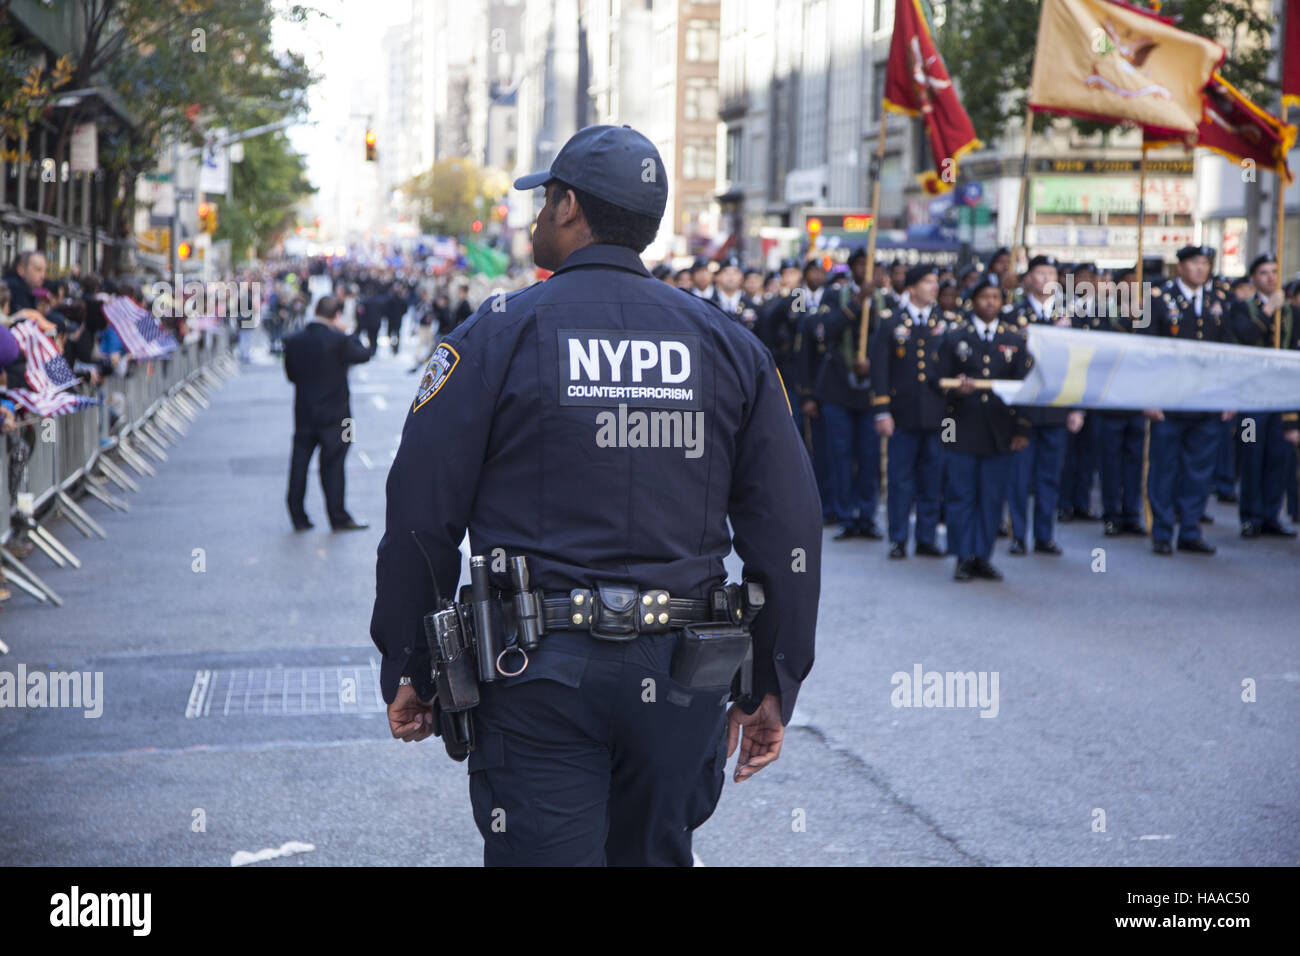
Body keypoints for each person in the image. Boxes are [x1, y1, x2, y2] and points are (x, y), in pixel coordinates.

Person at [370, 124, 821, 867]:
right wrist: (775, 678)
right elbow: (789, 528)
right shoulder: (729, 344)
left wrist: (413, 664)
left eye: (544, 203)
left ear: (570, 206)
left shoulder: (496, 335)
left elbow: (421, 514)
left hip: (536, 672)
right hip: (685, 676)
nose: (536, 219)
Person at [935, 275, 1030, 581]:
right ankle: (962, 555)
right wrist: (954, 390)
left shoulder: (1015, 339)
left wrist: (1021, 430)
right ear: (973, 301)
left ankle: (982, 555)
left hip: (999, 430)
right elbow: (936, 381)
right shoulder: (955, 336)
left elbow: (1023, 389)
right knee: (962, 495)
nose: (990, 302)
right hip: (963, 426)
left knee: (991, 496)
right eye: (984, 296)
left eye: (996, 297)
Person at [1143, 245, 1235, 555]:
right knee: (1164, 467)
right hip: (1168, 399)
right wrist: (1148, 396)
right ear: (1180, 267)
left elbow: (1227, 354)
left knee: (1199, 470)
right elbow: (1145, 352)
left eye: (1206, 263)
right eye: (1195, 263)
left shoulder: (1218, 302)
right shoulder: (1156, 300)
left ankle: (1191, 529)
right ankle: (1163, 530)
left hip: (1205, 399)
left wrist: (1227, 395)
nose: (1201, 269)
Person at [1003, 255, 1084, 555]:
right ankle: (1017, 534)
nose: (1047, 277)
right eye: (1041, 272)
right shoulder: (1013, 314)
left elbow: (1078, 364)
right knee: (1020, 477)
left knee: (1049, 476)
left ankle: (1044, 535)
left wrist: (1077, 407)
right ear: (1028, 278)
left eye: (1052, 272)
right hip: (1024, 407)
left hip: (1056, 404)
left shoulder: (1070, 314)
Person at [869, 264, 952, 558]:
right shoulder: (891, 321)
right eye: (928, 282)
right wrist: (882, 411)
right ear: (913, 287)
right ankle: (899, 537)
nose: (934, 288)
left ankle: (926, 537)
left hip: (938, 415)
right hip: (902, 414)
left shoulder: (946, 321)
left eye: (935, 282)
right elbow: (880, 368)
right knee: (900, 478)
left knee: (933, 477)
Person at [805, 246, 882, 540]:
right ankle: (845, 513)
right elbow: (823, 330)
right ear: (852, 268)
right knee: (841, 454)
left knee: (869, 456)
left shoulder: (884, 297)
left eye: (869, 265)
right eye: (860, 264)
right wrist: (856, 305)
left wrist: (871, 363)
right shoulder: (836, 295)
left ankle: (867, 515)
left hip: (870, 391)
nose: (865, 270)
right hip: (838, 389)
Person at [282, 296, 371, 532]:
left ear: (314, 310)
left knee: (300, 463)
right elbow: (364, 354)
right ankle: (338, 516)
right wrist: (350, 331)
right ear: (336, 316)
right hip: (341, 416)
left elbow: (291, 376)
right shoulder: (340, 340)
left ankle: (297, 515)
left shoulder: (294, 340)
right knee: (336, 464)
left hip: (304, 412)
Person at [1228, 252, 1299, 537]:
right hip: (1252, 398)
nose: (1270, 277)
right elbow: (1244, 336)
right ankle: (1250, 516)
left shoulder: (1292, 312)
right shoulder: (1243, 308)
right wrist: (1269, 310)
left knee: (1277, 458)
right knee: (1251, 457)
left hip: (1280, 398)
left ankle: (1271, 515)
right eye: (1263, 273)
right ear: (1254, 278)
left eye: (1274, 272)